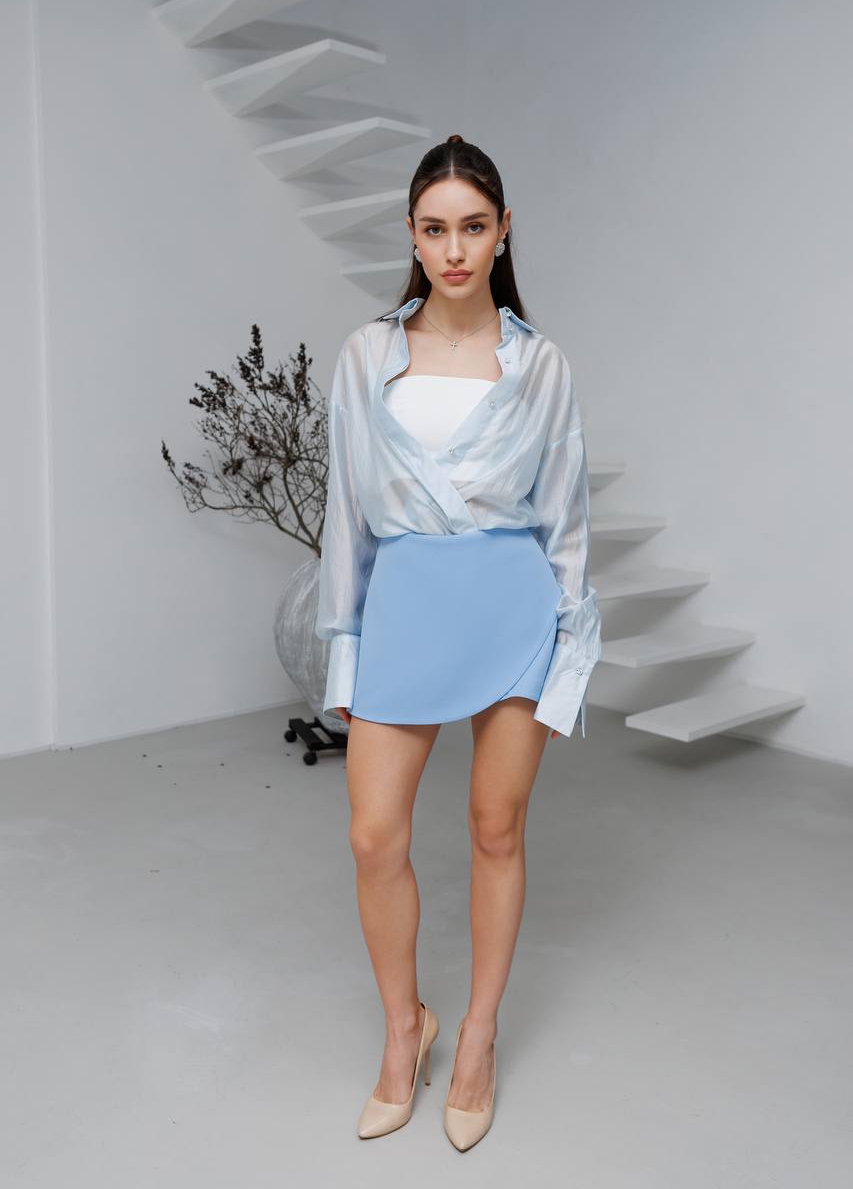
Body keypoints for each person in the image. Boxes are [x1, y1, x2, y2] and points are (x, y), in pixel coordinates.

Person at [314, 134, 602, 1151]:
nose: (453, 248)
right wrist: (343, 650)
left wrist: (570, 660)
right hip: (405, 606)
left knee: (494, 828)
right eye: (433, 228)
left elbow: (564, 521)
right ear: (410, 235)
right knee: (372, 835)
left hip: (513, 608)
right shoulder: (365, 356)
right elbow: (345, 514)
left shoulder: (541, 364)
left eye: (472, 227)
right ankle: (406, 1028)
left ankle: (475, 1036)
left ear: (502, 231)